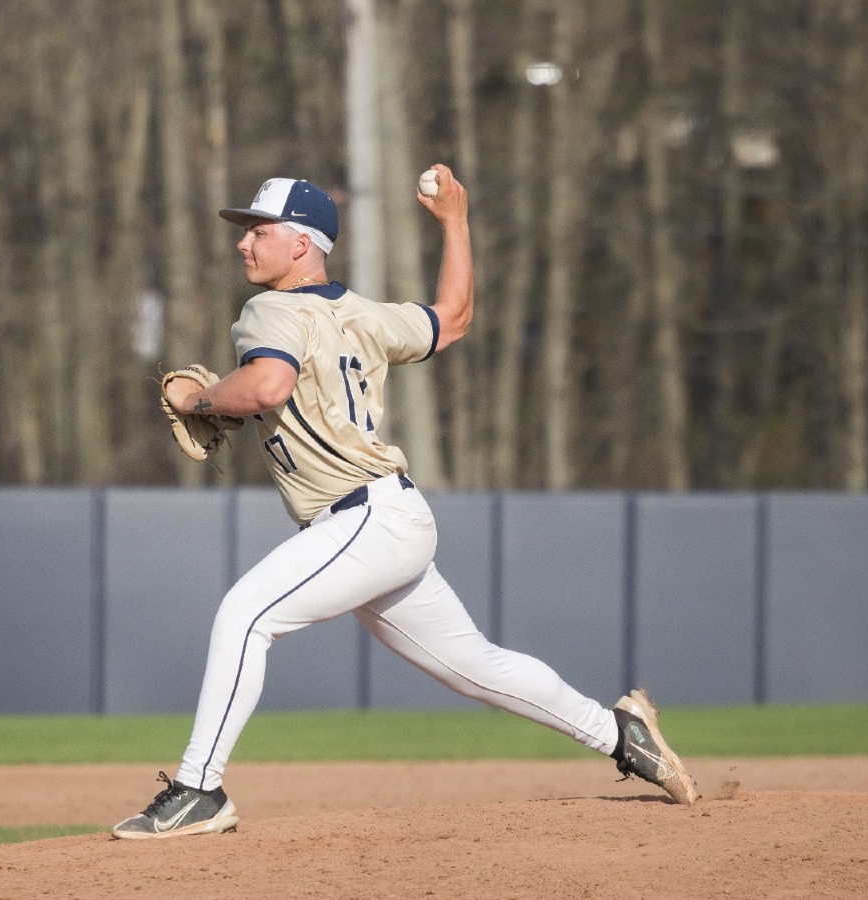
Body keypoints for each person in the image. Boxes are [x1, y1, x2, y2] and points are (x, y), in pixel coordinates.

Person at [111, 168, 698, 840]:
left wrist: (198, 400)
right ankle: (620, 734)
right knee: (475, 665)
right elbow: (454, 318)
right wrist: (455, 220)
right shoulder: (363, 313)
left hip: (362, 520)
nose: (244, 243)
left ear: (303, 243)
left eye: (259, 230)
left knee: (245, 616)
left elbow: (267, 385)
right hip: (387, 520)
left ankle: (198, 789)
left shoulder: (268, 311)